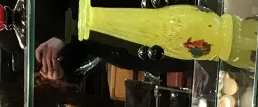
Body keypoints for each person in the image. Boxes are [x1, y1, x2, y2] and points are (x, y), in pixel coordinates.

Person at [28, 0, 195, 78]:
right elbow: (82, 47)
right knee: (198, 56)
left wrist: (64, 31)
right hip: (121, 47)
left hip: (133, 8)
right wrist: (62, 68)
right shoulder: (12, 39)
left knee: (200, 15)